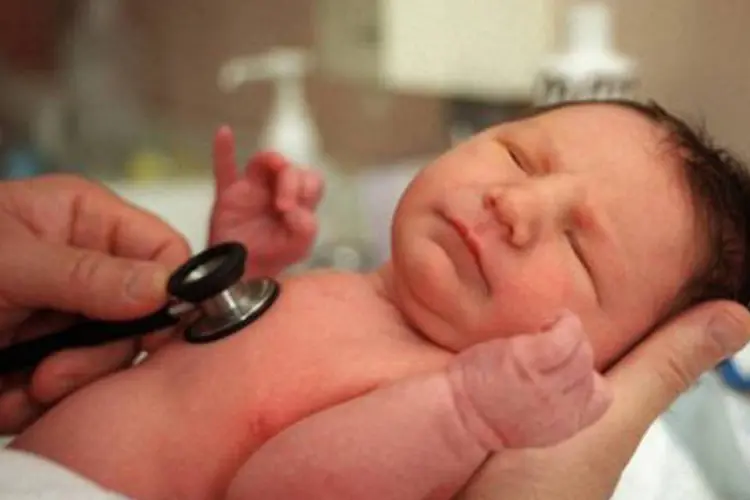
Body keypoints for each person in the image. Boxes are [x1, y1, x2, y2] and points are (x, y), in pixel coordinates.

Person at [2, 99, 750, 500]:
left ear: (603, 367)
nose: (513, 203)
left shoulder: (436, 408)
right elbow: (185, 374)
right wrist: (240, 267)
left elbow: (274, 488)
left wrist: (469, 410)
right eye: (520, 155)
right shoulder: (353, 291)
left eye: (580, 248)